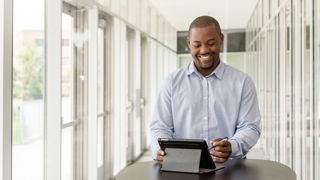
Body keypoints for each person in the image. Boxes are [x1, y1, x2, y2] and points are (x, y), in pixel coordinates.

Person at [150, 15, 261, 164]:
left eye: (211, 43)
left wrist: (233, 146)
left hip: (231, 167)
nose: (204, 50)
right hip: (182, 166)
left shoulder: (242, 82)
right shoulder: (171, 83)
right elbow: (160, 126)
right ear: (189, 43)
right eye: (197, 44)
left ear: (221, 39)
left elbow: (250, 127)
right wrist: (158, 149)